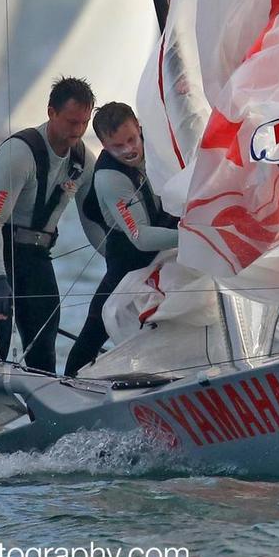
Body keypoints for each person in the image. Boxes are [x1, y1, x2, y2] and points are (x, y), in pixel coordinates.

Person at [0, 76, 102, 374]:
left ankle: (45, 411)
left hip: (36, 257)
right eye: (70, 122)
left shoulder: (83, 161)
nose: (77, 132)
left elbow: (90, 221)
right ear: (51, 112)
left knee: (43, 348)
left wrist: (116, 257)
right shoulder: (19, 154)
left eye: (83, 123)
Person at [64, 101, 179, 378]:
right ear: (104, 144)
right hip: (130, 255)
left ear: (140, 128)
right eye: (117, 146)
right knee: (98, 324)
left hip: (171, 238)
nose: (129, 149)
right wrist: (193, 236)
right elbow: (140, 237)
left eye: (131, 139)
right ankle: (67, 383)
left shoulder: (157, 142)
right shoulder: (109, 178)